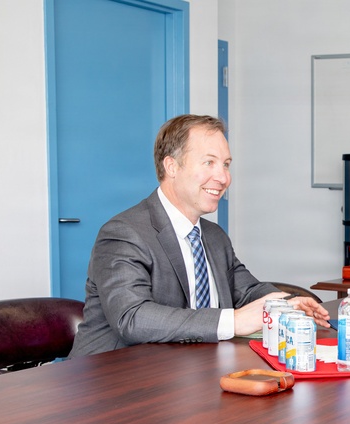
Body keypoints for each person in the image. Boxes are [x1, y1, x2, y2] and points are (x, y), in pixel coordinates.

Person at [69, 114, 329, 356]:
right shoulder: (124, 233)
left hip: (185, 373)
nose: (223, 177)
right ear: (171, 166)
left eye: (226, 164)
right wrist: (234, 321)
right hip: (113, 381)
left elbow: (248, 291)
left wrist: (291, 303)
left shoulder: (213, 235)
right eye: (209, 162)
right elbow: (132, 318)